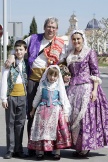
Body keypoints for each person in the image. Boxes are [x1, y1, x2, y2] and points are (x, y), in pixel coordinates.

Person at [5, 17, 65, 156]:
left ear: (57, 29)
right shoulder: (33, 38)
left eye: (54, 27)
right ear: (44, 27)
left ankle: (49, 146)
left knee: (51, 115)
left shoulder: (60, 43)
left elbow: (65, 59)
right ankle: (33, 146)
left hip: (50, 82)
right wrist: (11, 56)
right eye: (49, 26)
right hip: (33, 80)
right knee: (32, 114)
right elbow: (18, 47)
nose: (51, 29)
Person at [66, 30, 108, 157]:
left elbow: (95, 72)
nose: (76, 41)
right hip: (72, 90)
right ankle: (77, 145)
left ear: (83, 39)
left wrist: (94, 90)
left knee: (85, 119)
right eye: (74, 39)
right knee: (72, 118)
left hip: (86, 88)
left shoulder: (89, 52)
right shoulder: (69, 54)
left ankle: (85, 146)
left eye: (78, 39)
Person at [27, 65, 72, 160]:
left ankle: (57, 152)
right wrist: (33, 109)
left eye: (55, 76)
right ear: (46, 75)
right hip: (43, 111)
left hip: (56, 111)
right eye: (50, 75)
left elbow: (64, 99)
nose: (52, 78)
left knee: (57, 132)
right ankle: (40, 152)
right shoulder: (42, 84)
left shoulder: (59, 86)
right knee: (42, 131)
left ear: (58, 77)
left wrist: (66, 113)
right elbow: (37, 97)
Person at [0, 40, 28, 159]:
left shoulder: (27, 63)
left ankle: (19, 149)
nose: (18, 52)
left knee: (20, 124)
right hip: (11, 96)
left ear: (25, 51)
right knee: (10, 124)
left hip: (23, 97)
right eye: (16, 50)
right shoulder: (9, 63)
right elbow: (4, 80)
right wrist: (3, 98)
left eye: (21, 49)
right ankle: (10, 149)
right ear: (14, 51)